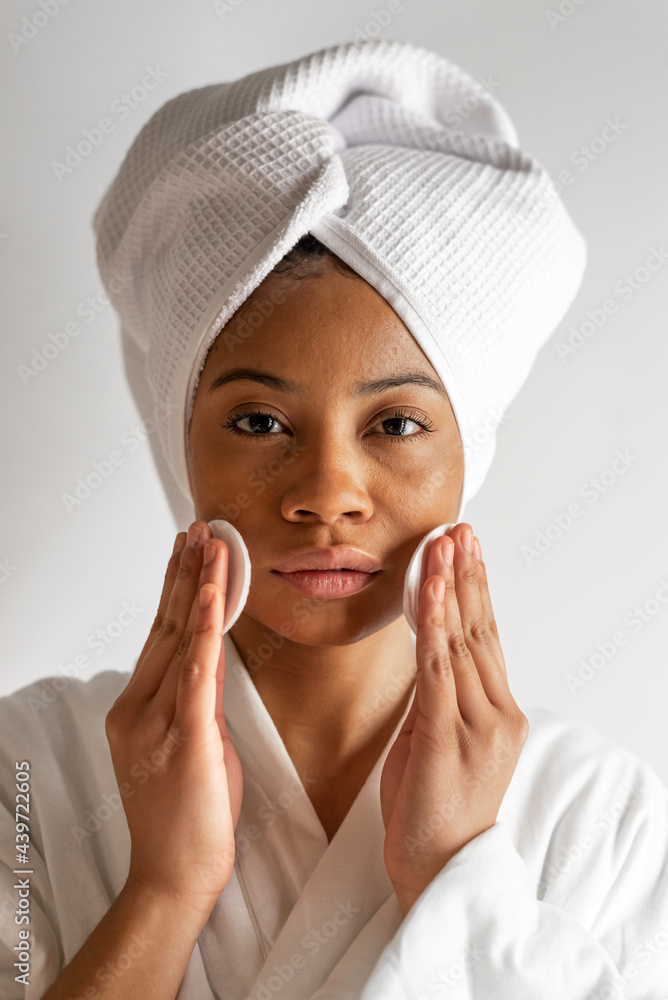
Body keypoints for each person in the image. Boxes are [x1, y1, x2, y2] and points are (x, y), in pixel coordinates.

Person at [1, 39, 667, 1000]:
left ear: (467, 451)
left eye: (396, 424)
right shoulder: (30, 769)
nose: (327, 491)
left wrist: (456, 879)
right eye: (260, 421)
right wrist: (162, 892)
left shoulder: (598, 818)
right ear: (179, 437)